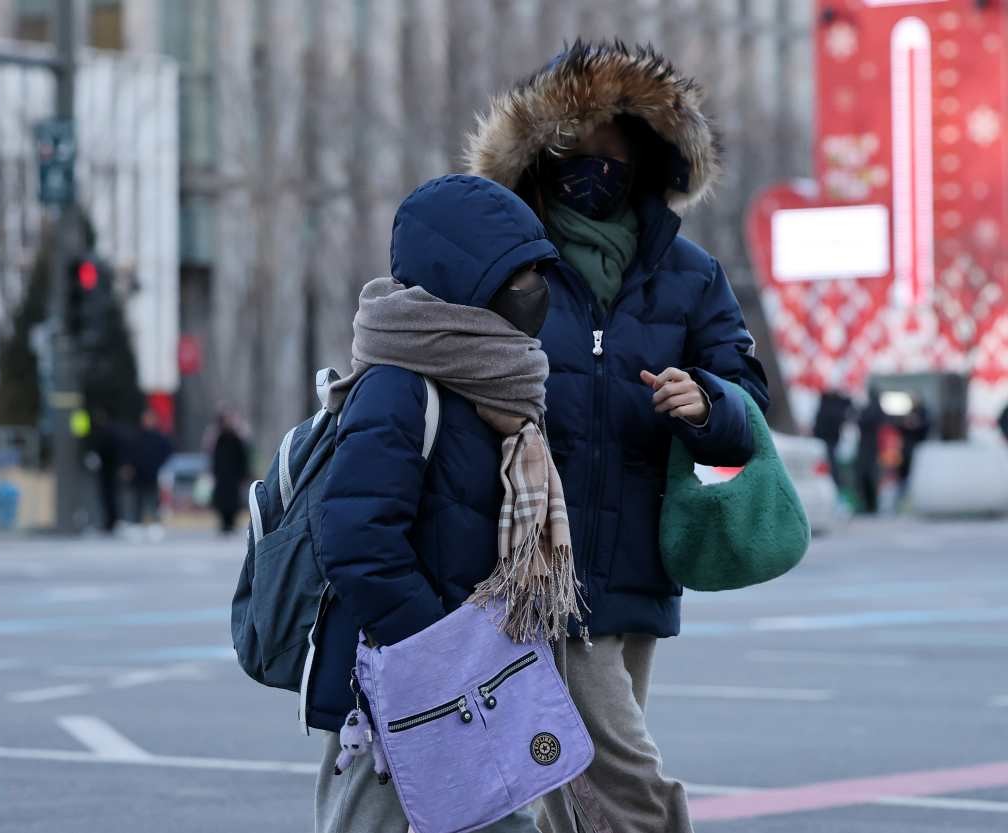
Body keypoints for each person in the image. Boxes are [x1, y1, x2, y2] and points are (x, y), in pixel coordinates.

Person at [466, 40, 769, 832]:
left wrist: (705, 402)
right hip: (533, 563)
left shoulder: (690, 274)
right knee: (619, 774)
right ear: (542, 158)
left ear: (646, 159)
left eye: (614, 151)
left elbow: (747, 398)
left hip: (639, 565)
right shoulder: (507, 266)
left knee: (576, 778)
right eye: (575, 150)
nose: (594, 167)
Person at [313, 175, 573, 833]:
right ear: (471, 278)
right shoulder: (398, 385)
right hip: (400, 685)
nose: (536, 291)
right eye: (522, 274)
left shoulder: (501, 388)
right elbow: (353, 534)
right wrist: (436, 651)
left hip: (477, 681)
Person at [126, 410, 174, 539]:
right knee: (138, 500)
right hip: (139, 474)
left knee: (154, 501)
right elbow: (130, 454)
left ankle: (155, 526)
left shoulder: (159, 437)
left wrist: (159, 465)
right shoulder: (136, 436)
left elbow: (168, 451)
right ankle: (136, 525)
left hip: (153, 473)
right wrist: (130, 467)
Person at [208, 411, 250, 534]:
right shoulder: (219, 439)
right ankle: (224, 522)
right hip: (222, 476)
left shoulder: (237, 439)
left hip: (233, 476)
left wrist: (243, 474)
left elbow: (243, 458)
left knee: (233, 501)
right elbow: (214, 458)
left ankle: (231, 522)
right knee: (222, 501)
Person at [89, 409, 125, 532]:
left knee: (109, 497)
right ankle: (111, 521)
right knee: (109, 497)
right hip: (109, 469)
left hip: (108, 469)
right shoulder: (111, 432)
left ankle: (111, 522)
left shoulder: (105, 433)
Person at [895, 394, 931, 507]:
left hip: (918, 450)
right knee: (904, 476)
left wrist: (916, 425)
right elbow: (899, 427)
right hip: (906, 450)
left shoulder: (924, 413)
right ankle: (903, 501)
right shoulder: (908, 413)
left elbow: (926, 428)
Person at [814, 389, 854, 489]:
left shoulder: (826, 403)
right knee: (830, 465)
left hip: (827, 439)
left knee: (830, 465)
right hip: (828, 439)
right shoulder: (833, 405)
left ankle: (836, 486)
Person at [855, 395, 886, 515]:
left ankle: (869, 504)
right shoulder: (878, 412)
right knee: (869, 476)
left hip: (867, 448)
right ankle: (871, 505)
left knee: (867, 476)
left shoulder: (868, 411)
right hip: (873, 448)